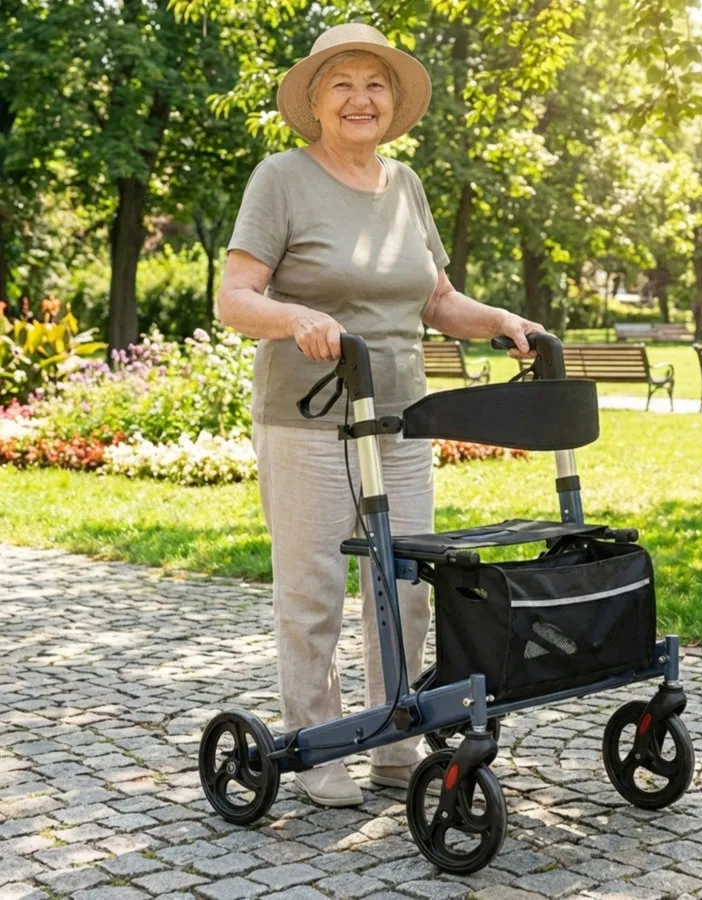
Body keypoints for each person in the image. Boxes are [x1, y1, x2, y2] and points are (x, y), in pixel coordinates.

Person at [217, 23, 543, 809]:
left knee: (407, 588)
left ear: (393, 103)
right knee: (315, 586)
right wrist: (294, 318)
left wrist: (499, 318)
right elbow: (234, 298)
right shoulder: (282, 178)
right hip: (308, 413)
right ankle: (319, 741)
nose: (361, 98)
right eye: (343, 84)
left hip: (400, 416)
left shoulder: (405, 186)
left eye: (376, 85)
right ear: (317, 102)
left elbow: (435, 300)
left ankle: (394, 742)